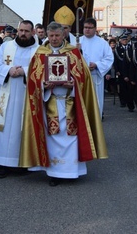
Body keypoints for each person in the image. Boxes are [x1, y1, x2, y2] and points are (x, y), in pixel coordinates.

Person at [20, 21, 107, 186]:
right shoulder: (40, 53)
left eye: (57, 35)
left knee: (70, 136)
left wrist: (73, 84)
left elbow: (84, 77)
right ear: (47, 35)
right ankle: (54, 173)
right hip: (50, 101)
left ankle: (72, 171)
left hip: (70, 101)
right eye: (51, 36)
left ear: (63, 35)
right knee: (53, 137)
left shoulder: (73, 52)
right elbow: (32, 79)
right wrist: (43, 86)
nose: (53, 39)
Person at [0, 20, 39, 178]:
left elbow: (42, 70)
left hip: (27, 95)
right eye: (21, 30)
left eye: (27, 31)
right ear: (17, 30)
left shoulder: (38, 50)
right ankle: (1, 163)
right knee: (4, 128)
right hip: (7, 94)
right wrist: (8, 70)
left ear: (33, 33)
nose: (23, 34)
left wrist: (24, 71)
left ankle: (21, 162)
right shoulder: (6, 47)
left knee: (21, 128)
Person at [78, 17, 114, 116]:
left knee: (96, 101)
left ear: (95, 29)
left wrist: (97, 64)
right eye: (85, 27)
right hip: (81, 77)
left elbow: (109, 58)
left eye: (90, 27)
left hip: (95, 76)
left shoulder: (102, 43)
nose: (87, 29)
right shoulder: (77, 42)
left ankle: (96, 118)